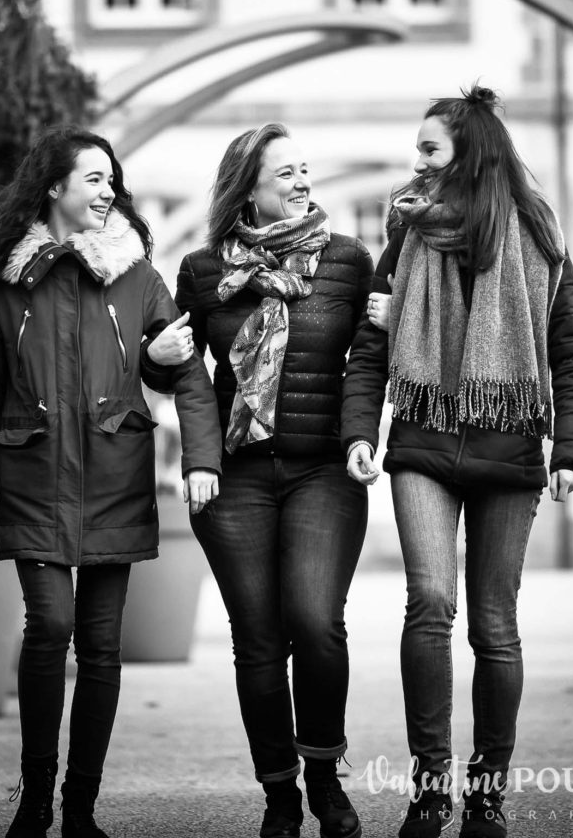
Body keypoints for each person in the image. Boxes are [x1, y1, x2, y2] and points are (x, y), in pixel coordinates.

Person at [341, 87, 573, 838]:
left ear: (470, 154)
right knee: (429, 602)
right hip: (422, 440)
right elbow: (370, 350)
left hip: (508, 444)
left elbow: (569, 350)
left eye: (429, 148)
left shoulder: (538, 237)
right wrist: (360, 432)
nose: (416, 160)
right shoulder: (407, 234)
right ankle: (430, 788)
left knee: (493, 624)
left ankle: (487, 793)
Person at [0, 126, 221, 838]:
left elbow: (185, 373)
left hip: (114, 477)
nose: (108, 192)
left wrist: (200, 459)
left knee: (101, 645)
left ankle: (80, 809)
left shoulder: (138, 276)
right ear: (54, 187)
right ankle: (35, 801)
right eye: (93, 179)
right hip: (33, 475)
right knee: (50, 625)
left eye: (111, 180)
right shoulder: (6, 283)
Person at [146, 122, 373, 838]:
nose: (302, 182)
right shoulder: (203, 270)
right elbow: (179, 369)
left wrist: (362, 434)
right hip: (236, 476)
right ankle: (279, 795)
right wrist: (155, 360)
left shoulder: (347, 260)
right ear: (247, 188)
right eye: (285, 173)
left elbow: (368, 362)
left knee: (316, 622)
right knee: (257, 640)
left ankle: (324, 779)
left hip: (323, 469)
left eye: (305, 170)